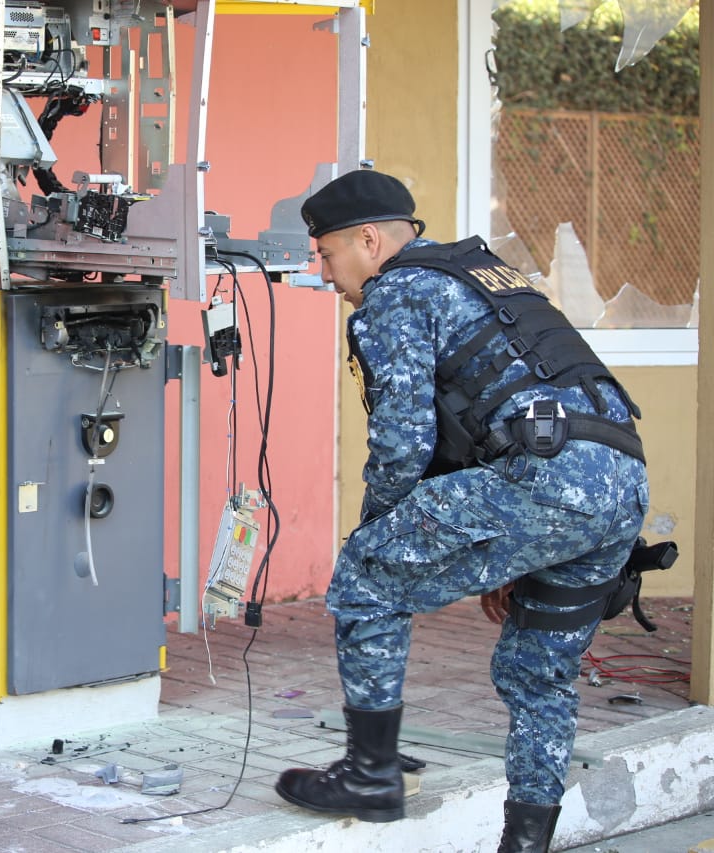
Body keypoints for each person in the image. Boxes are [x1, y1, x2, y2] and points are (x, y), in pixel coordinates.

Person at [273, 170, 648, 853]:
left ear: (366, 240)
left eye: (325, 254)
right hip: (620, 481)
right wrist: (512, 551)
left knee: (365, 574)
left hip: (543, 476)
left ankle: (370, 773)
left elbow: (402, 442)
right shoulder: (483, 275)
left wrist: (379, 532)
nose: (322, 272)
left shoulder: (396, 292)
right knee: (537, 672)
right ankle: (526, 842)